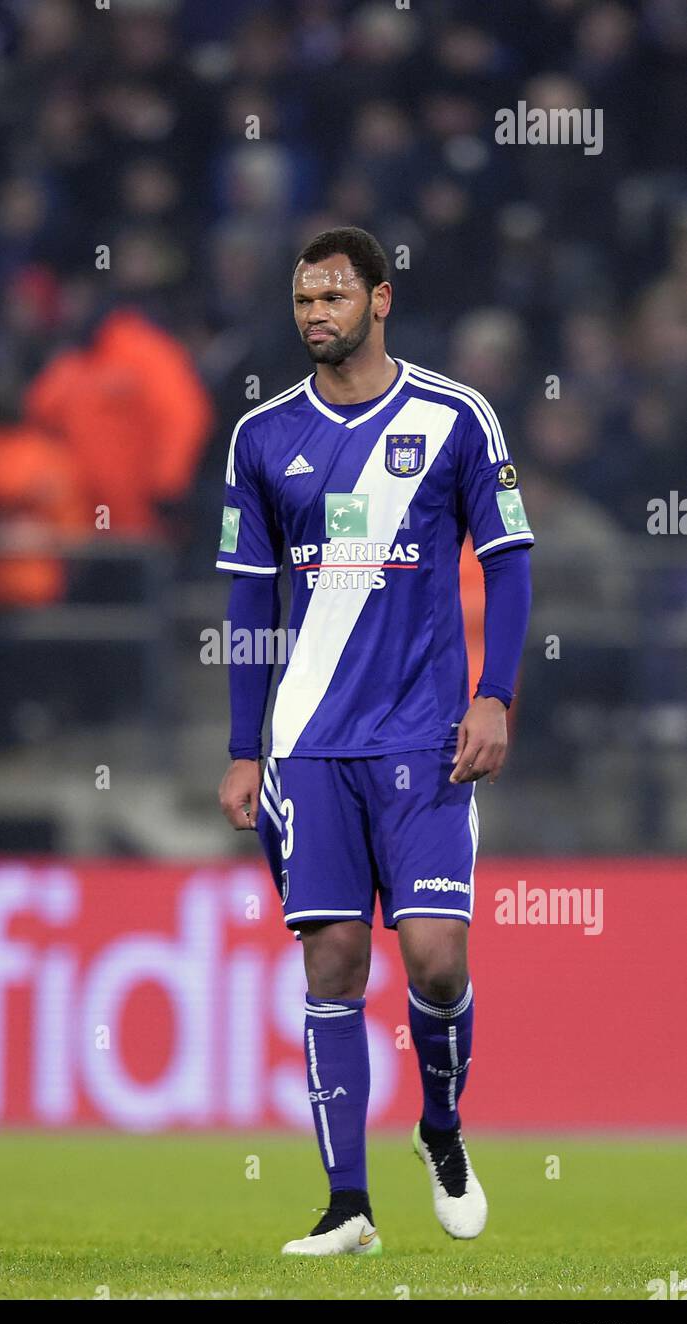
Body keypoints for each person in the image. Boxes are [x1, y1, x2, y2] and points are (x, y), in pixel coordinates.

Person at [216, 227, 533, 1255]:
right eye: (303, 299)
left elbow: (510, 560)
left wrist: (494, 697)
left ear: (379, 299)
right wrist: (240, 744)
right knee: (333, 965)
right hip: (309, 742)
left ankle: (439, 1130)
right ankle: (347, 1205)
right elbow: (248, 594)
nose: (314, 314)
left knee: (437, 963)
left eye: (333, 296)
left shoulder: (452, 417)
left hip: (424, 734)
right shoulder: (262, 437)